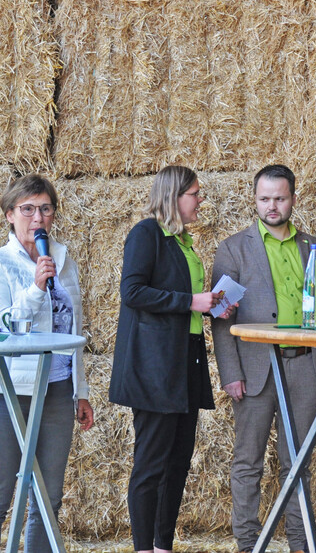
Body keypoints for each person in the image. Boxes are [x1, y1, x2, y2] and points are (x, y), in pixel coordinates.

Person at [109, 165, 235, 553]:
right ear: (174, 196)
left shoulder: (183, 243)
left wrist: (209, 307)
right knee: (151, 465)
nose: (200, 201)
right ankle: (143, 548)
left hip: (186, 364)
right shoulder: (146, 234)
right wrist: (190, 302)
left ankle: (164, 546)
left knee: (178, 462)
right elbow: (132, 292)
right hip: (155, 369)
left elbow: (179, 301)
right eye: (195, 193)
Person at [0, 174, 94, 552]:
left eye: (45, 209)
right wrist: (36, 289)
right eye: (27, 209)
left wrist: (80, 391)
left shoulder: (65, 261)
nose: (37, 218)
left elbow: (74, 331)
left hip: (56, 388)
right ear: (10, 215)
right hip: (6, 391)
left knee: (48, 496)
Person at [210, 164, 316, 553]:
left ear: (293, 198)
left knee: (297, 465)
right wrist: (230, 372)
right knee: (248, 463)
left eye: (280, 198)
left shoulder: (312, 245)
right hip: (256, 369)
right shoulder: (233, 248)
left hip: (305, 368)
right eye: (265, 199)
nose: (272, 206)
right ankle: (249, 544)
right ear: (255, 200)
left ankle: (300, 544)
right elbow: (219, 318)